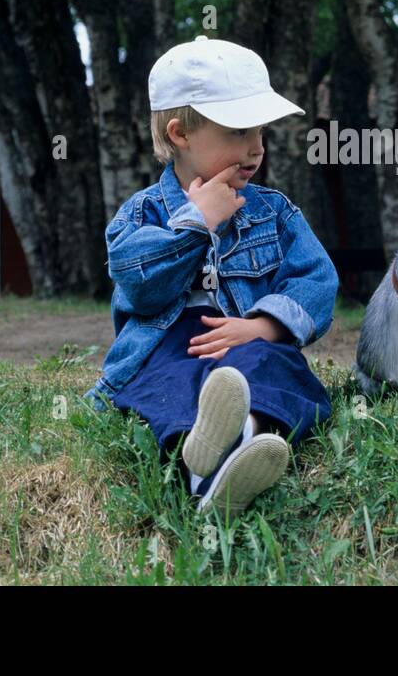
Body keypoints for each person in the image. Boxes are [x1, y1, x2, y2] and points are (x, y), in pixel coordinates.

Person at [83, 35, 339, 520]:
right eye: (239, 133)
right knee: (170, 387)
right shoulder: (142, 214)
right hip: (169, 346)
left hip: (248, 338)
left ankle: (238, 439)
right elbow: (138, 282)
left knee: (276, 368)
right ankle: (209, 470)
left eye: (260, 132)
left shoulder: (275, 212)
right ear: (180, 134)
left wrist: (264, 326)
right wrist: (196, 223)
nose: (256, 149)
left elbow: (317, 280)